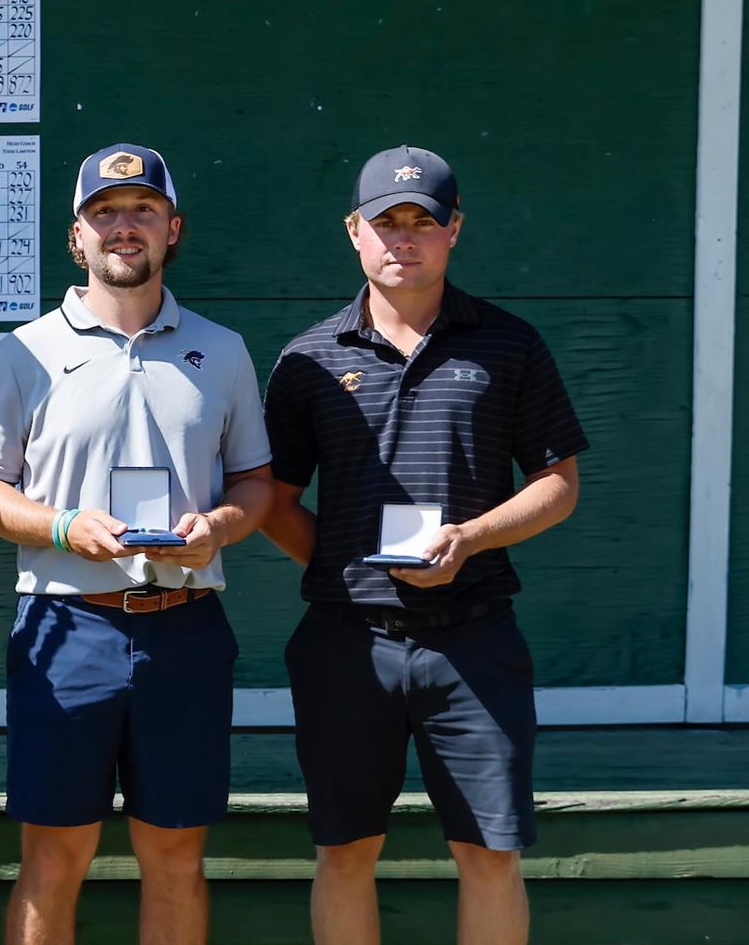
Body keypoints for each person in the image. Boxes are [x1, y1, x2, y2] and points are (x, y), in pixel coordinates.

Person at [261, 146, 586, 945]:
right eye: (385, 223)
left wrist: (468, 542)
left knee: (490, 854)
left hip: (475, 639)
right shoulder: (307, 359)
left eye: (422, 222)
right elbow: (270, 500)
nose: (403, 239)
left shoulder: (509, 345)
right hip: (347, 644)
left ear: (453, 232)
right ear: (354, 233)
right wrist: (343, 569)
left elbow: (559, 484)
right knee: (345, 851)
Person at [0, 143, 274, 945]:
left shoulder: (224, 350)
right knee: (54, 856)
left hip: (187, 626)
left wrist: (222, 528)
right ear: (76, 237)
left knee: (174, 855)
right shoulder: (23, 351)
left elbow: (256, 484)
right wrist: (64, 527)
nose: (122, 228)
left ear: (174, 228)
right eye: (104, 212)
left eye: (141, 210)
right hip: (66, 629)